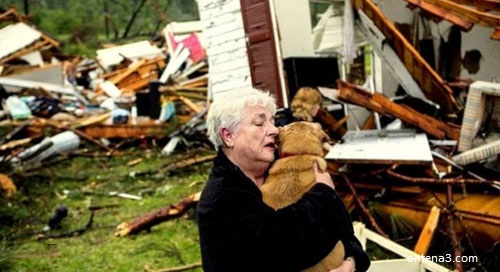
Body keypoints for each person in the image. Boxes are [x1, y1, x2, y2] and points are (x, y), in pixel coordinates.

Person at [196, 87, 370, 272]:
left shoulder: (293, 170)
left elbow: (347, 235)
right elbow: (280, 247)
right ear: (228, 136)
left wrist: (350, 264)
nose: (274, 130)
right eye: (259, 123)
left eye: (272, 121)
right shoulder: (220, 199)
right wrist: (322, 195)